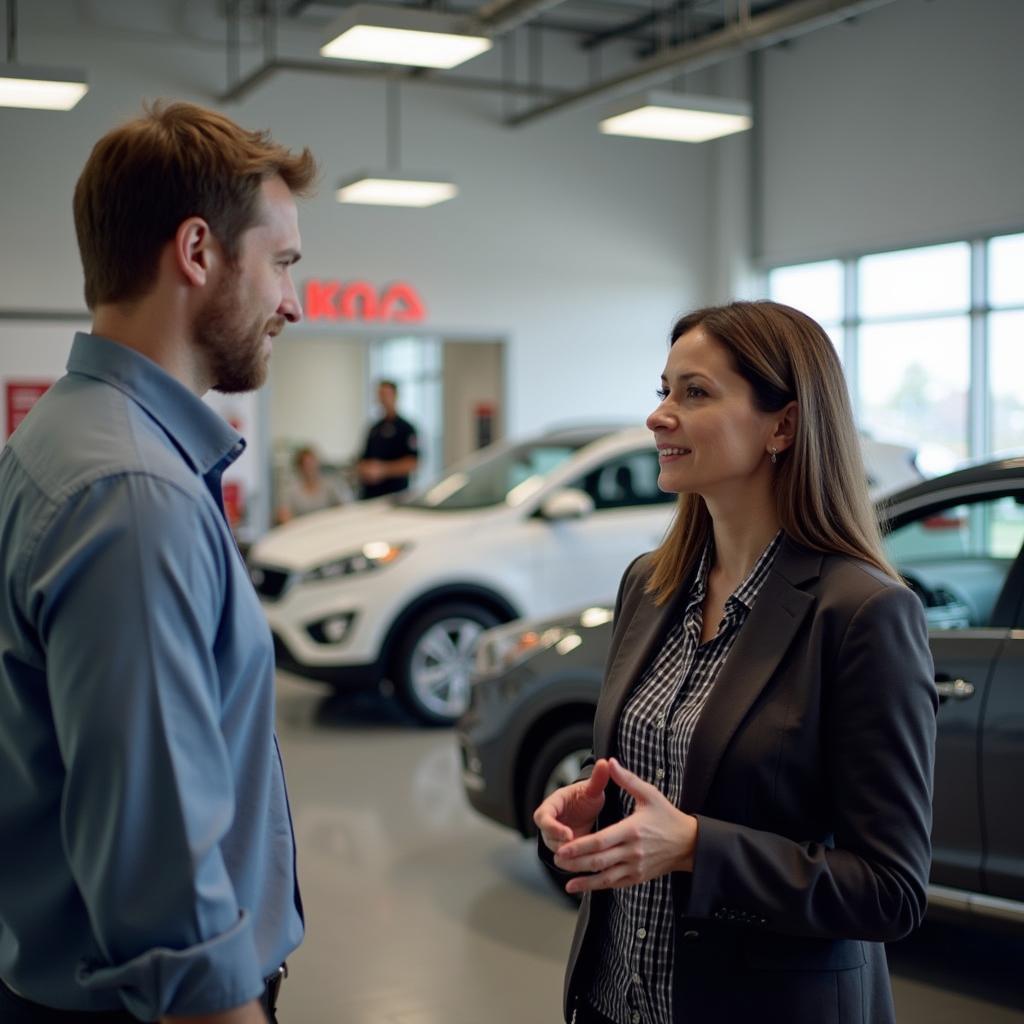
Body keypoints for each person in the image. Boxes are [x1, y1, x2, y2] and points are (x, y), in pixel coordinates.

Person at [534, 301, 937, 1024]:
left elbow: (890, 889)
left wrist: (696, 847)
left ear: (782, 425)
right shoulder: (649, 586)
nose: (659, 415)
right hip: (614, 1001)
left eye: (694, 393)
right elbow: (653, 799)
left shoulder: (862, 614)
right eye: (662, 390)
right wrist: (592, 823)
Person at [0, 101, 317, 1023]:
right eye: (284, 263)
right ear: (197, 252)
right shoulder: (133, 494)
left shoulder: (59, 439)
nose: (293, 301)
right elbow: (163, 881)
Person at [356, 379, 419, 499]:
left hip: (395, 495)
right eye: (380, 395)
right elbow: (363, 459)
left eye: (386, 394)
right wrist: (364, 469)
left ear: (395, 396)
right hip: (371, 495)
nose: (383, 399)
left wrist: (382, 470)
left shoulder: (406, 429)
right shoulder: (374, 429)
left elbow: (412, 463)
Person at [276, 445, 352, 524]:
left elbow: (344, 506)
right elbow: (284, 514)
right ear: (299, 467)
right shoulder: (292, 489)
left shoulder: (329, 484)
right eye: (305, 465)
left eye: (311, 463)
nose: (309, 468)